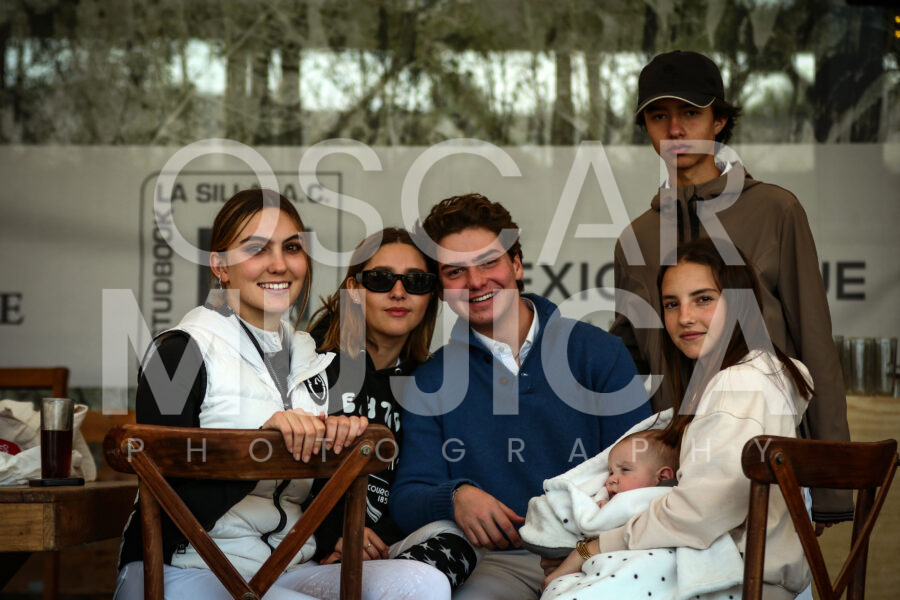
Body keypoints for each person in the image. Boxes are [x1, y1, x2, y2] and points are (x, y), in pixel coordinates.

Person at [115, 189, 449, 600]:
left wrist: (340, 446)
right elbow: (168, 504)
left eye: (291, 247)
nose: (279, 264)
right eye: (256, 248)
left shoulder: (313, 363)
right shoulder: (178, 352)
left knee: (424, 584)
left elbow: (312, 500)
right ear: (219, 266)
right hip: (182, 568)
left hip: (286, 568)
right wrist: (262, 444)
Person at [610, 49, 852, 527]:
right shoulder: (634, 238)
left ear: (718, 121)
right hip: (674, 472)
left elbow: (815, 343)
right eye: (659, 116)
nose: (674, 129)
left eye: (690, 113)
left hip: (771, 460)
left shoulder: (775, 210)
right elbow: (629, 362)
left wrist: (830, 485)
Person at [389, 193, 652, 600]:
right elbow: (407, 497)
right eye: (455, 271)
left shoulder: (598, 353)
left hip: (601, 554)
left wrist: (587, 550)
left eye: (488, 262)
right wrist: (455, 496)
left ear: (516, 264)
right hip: (496, 563)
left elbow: (647, 474)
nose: (476, 282)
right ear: (441, 289)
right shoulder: (431, 380)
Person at [545, 237, 814, 600]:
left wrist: (591, 548)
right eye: (672, 304)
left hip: (735, 584)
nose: (684, 317)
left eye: (703, 299)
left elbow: (699, 513)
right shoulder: (761, 376)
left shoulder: (739, 384)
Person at [306, 227, 479, 589]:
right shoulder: (308, 363)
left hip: (381, 550)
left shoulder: (429, 384)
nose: (398, 292)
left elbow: (417, 488)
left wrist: (372, 540)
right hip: (305, 549)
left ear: (430, 296)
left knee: (460, 540)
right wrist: (332, 534)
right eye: (381, 279)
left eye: (415, 282)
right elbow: (276, 480)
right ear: (354, 290)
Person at [597, 430, 678, 508]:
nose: (611, 479)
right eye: (611, 473)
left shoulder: (670, 503)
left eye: (625, 469)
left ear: (662, 477)